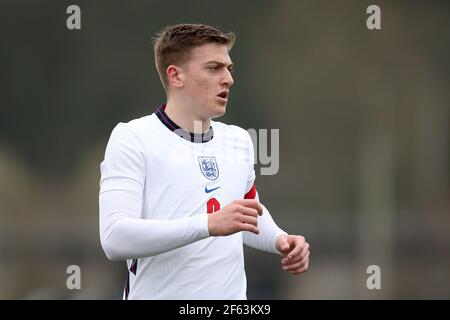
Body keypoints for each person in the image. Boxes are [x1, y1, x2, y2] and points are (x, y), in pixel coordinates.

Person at [99, 23, 309, 300]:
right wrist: (208, 224)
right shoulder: (132, 138)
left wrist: (280, 239)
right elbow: (115, 238)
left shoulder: (239, 140)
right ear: (175, 76)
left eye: (229, 68)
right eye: (214, 68)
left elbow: (246, 213)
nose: (228, 79)